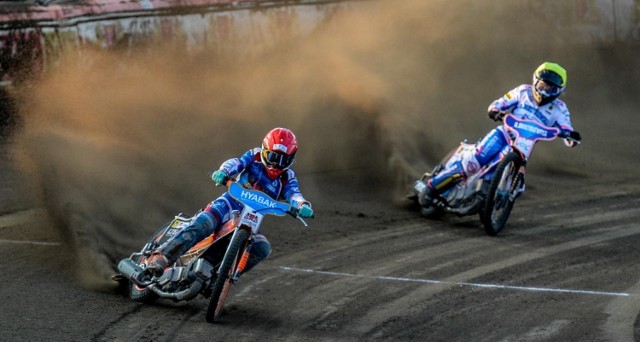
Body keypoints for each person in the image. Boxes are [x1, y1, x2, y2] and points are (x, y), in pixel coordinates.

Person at [146, 127, 314, 275]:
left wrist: (302, 205)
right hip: (228, 204)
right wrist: (224, 171)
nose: (277, 165)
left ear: (291, 159)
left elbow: (294, 194)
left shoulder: (288, 177)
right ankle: (162, 257)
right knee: (205, 223)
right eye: (273, 156)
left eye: (283, 160)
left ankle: (220, 278)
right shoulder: (254, 156)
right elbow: (237, 162)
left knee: (263, 248)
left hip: (251, 219)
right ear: (264, 151)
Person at [419, 62, 582, 210]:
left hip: (525, 145)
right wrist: (495, 110)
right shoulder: (522, 91)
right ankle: (431, 188)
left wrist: (570, 137)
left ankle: (487, 194)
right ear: (535, 81)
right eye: (542, 86)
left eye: (551, 89)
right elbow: (500, 103)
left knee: (510, 177)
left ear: (559, 91)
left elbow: (567, 127)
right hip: (503, 134)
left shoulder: (560, 108)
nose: (545, 92)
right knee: (474, 162)